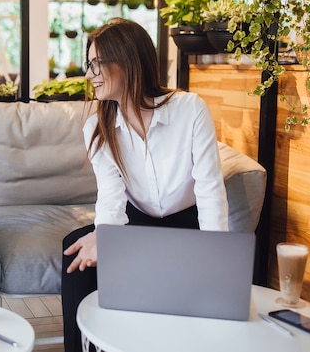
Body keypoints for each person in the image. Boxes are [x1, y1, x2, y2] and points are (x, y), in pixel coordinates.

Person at [61, 18, 229, 352]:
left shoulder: (189, 110)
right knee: (76, 251)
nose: (90, 74)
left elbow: (210, 190)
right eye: (88, 64)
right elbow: (111, 197)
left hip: (186, 223)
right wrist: (104, 237)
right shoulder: (97, 126)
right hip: (135, 223)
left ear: (128, 61)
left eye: (97, 64)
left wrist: (217, 258)